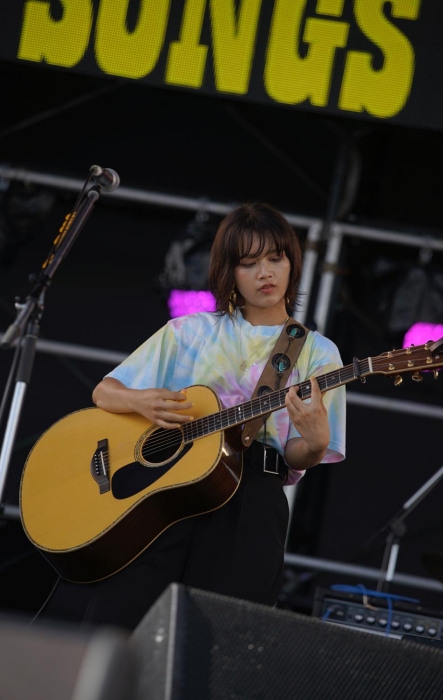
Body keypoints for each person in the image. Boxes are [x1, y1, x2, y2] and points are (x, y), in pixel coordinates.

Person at [44, 201, 346, 631]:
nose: (265, 273)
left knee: (221, 637)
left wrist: (314, 444)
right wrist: (141, 401)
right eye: (249, 263)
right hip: (162, 491)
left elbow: (296, 454)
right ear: (228, 272)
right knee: (118, 627)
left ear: (292, 263)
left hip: (250, 499)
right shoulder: (189, 331)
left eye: (275, 259)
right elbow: (104, 392)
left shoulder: (318, 352)